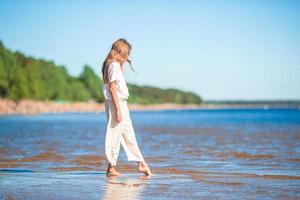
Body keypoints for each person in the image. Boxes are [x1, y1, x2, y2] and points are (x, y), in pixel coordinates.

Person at [101, 38, 152, 176]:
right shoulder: (113, 65)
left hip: (120, 103)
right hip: (116, 103)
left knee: (128, 133)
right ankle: (111, 167)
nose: (128, 57)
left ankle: (140, 162)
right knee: (115, 133)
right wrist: (118, 109)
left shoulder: (114, 65)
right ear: (120, 52)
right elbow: (112, 88)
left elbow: (115, 86)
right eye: (127, 54)